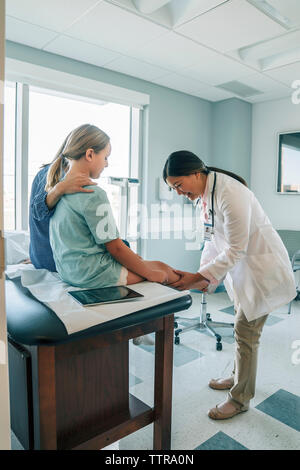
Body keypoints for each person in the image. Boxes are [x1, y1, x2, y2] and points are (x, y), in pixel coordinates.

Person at [163, 150, 296, 420]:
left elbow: (236, 248)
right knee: (241, 330)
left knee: (246, 333)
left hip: (262, 271)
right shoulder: (206, 195)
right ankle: (237, 379)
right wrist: (200, 276)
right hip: (243, 272)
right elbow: (212, 240)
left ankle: (240, 399)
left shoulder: (229, 193)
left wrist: (198, 278)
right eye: (172, 188)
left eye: (178, 185)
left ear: (196, 173)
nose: (178, 192)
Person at [46, 123, 180, 292]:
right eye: (106, 157)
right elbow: (115, 248)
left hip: (69, 272)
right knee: (163, 271)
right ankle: (197, 286)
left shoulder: (56, 191)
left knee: (159, 265)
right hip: (92, 273)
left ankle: (198, 282)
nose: (106, 164)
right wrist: (150, 274)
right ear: (89, 154)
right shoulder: (93, 193)